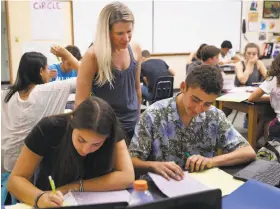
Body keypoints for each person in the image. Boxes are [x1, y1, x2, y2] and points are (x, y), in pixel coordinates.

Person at [129, 65, 256, 181]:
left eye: (207, 104)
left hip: (201, 186)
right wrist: (153, 166)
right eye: (195, 99)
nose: (198, 109)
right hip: (162, 187)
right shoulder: (153, 115)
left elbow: (248, 152)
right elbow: (132, 161)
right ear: (183, 87)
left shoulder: (214, 115)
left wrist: (211, 161)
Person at [7, 97, 134, 208]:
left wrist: (75, 187)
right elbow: (15, 180)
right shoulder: (49, 128)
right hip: (53, 201)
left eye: (97, 144)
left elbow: (127, 177)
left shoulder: (112, 132)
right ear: (72, 122)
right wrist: (40, 197)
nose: (85, 150)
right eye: (81, 140)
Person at [1, 52, 77, 204]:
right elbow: (86, 76)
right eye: (47, 69)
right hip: (36, 169)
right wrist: (66, 54)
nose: (50, 72)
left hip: (8, 167)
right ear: (41, 71)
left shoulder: (5, 95)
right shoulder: (49, 90)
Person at [75, 2, 142, 145]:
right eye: (119, 33)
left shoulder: (135, 49)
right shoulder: (93, 56)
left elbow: (137, 88)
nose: (126, 38)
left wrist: (138, 120)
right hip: (107, 129)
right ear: (107, 32)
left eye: (129, 31)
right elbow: (81, 101)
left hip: (133, 125)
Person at [248, 53, 280, 141]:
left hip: (278, 125)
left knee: (266, 121)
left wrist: (272, 97)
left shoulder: (274, 79)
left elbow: (251, 98)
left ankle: (267, 148)